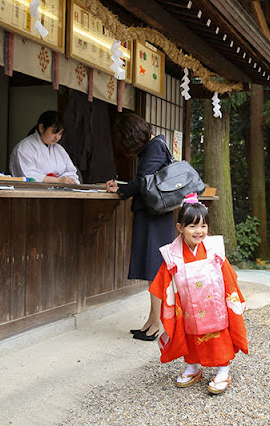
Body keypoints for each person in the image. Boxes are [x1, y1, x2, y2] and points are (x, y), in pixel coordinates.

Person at [149, 196, 248, 394]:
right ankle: (193, 366)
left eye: (203, 226)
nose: (199, 231)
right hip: (188, 305)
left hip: (215, 304)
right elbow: (165, 280)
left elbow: (227, 275)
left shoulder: (214, 249)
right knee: (189, 333)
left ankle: (223, 368)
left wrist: (232, 298)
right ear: (180, 228)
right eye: (192, 226)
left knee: (218, 334)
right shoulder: (172, 254)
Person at [106, 113, 173, 341]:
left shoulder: (154, 147)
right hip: (155, 215)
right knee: (152, 270)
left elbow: (145, 181)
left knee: (154, 271)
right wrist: (124, 185)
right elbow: (147, 180)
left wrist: (122, 189)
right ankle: (152, 321)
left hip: (154, 217)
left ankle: (157, 324)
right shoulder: (158, 145)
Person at [10, 111, 80, 184]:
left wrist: (66, 180)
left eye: (60, 133)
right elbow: (28, 175)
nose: (57, 137)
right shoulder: (25, 147)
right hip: (31, 193)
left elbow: (71, 172)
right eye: (54, 132)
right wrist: (58, 180)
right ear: (41, 128)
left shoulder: (59, 149)